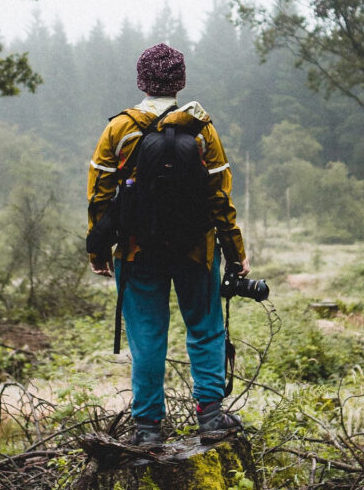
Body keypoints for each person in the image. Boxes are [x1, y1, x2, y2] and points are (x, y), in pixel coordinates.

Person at [86, 43, 250, 445]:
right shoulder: (203, 129)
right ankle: (210, 415)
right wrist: (236, 254)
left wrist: (98, 251)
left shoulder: (118, 130)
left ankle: (147, 429)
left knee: (146, 336)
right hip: (197, 248)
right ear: (180, 82)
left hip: (135, 250)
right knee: (206, 329)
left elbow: (99, 196)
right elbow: (220, 198)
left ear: (142, 79)